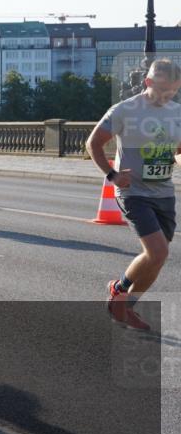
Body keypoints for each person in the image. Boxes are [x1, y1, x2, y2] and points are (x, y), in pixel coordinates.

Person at [86, 58, 181, 332]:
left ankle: (124, 302)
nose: (167, 96)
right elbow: (93, 142)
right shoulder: (125, 110)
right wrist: (112, 175)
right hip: (134, 193)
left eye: (173, 91)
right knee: (157, 251)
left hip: (164, 194)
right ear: (148, 82)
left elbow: (178, 151)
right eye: (162, 89)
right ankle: (120, 292)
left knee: (157, 258)